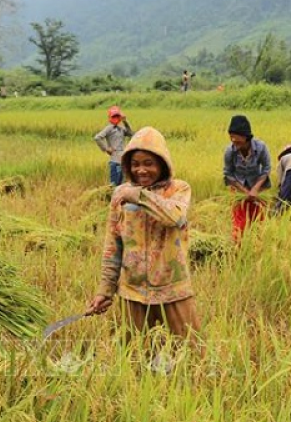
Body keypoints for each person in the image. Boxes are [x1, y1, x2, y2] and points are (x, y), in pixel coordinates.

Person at [87, 126, 204, 364]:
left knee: (190, 357)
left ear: (162, 163)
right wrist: (105, 290)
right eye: (135, 163)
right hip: (133, 293)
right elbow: (113, 246)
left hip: (173, 291)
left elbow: (175, 216)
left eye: (149, 162)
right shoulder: (121, 194)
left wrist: (139, 196)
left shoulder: (178, 189)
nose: (141, 169)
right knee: (136, 357)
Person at [223, 115, 271, 241]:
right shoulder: (229, 151)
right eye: (231, 136)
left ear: (245, 136)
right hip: (238, 189)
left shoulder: (261, 148)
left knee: (258, 220)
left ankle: (257, 245)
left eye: (236, 136)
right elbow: (228, 174)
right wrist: (244, 191)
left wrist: (255, 189)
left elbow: (266, 168)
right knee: (240, 223)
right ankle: (238, 248)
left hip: (258, 188)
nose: (233, 140)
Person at [93, 106, 134, 186]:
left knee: (121, 184)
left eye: (117, 116)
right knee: (114, 185)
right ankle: (111, 198)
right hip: (115, 161)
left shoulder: (121, 129)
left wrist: (125, 121)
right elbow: (97, 138)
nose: (115, 118)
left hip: (123, 160)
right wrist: (106, 148)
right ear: (110, 117)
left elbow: (131, 133)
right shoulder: (109, 128)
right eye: (113, 116)